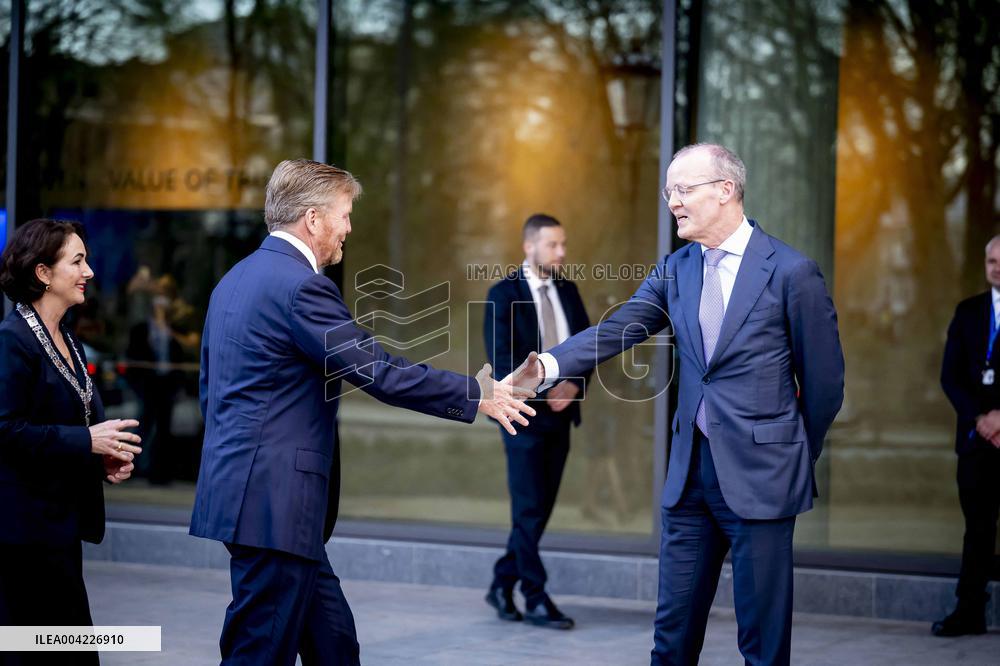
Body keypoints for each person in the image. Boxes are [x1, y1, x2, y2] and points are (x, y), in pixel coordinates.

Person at [189, 159, 538, 666]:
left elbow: (212, 392)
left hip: (255, 499)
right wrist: (476, 395)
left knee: (334, 644)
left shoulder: (234, 281)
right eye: (345, 214)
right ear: (313, 219)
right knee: (257, 652)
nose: (349, 228)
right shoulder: (301, 287)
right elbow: (379, 370)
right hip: (274, 506)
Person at [512, 144, 845, 665]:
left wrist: (792, 452)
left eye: (683, 189)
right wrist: (547, 366)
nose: (673, 202)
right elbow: (618, 328)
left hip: (763, 477)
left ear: (726, 190)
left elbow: (824, 385)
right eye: (670, 191)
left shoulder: (791, 272)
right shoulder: (676, 268)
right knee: (671, 638)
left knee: (762, 643)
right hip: (689, 479)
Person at [0, 218, 141, 664]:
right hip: (20, 539)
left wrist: (102, 458)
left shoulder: (70, 343)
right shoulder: (12, 342)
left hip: (59, 532)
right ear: (43, 273)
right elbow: (5, 431)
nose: (90, 272)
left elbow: (73, 425)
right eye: (77, 261)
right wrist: (86, 442)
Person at [483, 213, 591, 629]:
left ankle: (500, 582)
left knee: (538, 510)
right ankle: (535, 596)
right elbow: (503, 358)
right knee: (529, 509)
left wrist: (575, 385)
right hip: (523, 418)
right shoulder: (503, 294)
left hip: (563, 418)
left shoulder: (568, 289)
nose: (561, 252)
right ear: (529, 247)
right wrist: (550, 388)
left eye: (563, 244)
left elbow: (587, 343)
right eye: (553, 245)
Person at [934, 234, 1000, 637]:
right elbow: (950, 375)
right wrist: (980, 418)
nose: (997, 267)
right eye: (992, 259)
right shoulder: (969, 311)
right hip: (977, 443)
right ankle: (969, 611)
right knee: (977, 529)